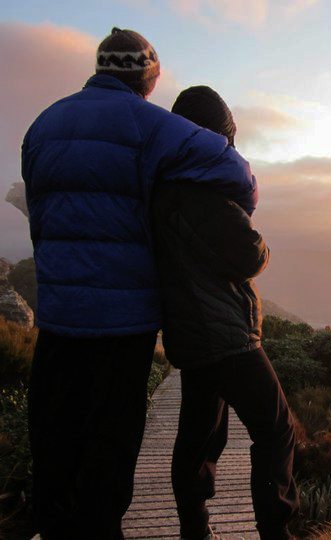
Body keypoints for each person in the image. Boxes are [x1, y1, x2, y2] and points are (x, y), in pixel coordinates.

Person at [22, 28, 258, 539]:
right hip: (122, 326)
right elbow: (236, 170)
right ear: (148, 78)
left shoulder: (44, 124)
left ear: (99, 68)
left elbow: (37, 214)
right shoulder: (150, 125)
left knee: (55, 446)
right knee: (109, 450)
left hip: (59, 318)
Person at [151, 86, 299, 540]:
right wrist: (259, 238)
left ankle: (195, 529)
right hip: (224, 336)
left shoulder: (166, 184)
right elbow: (249, 253)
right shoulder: (196, 191)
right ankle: (276, 532)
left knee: (200, 438)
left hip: (193, 333)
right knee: (276, 429)